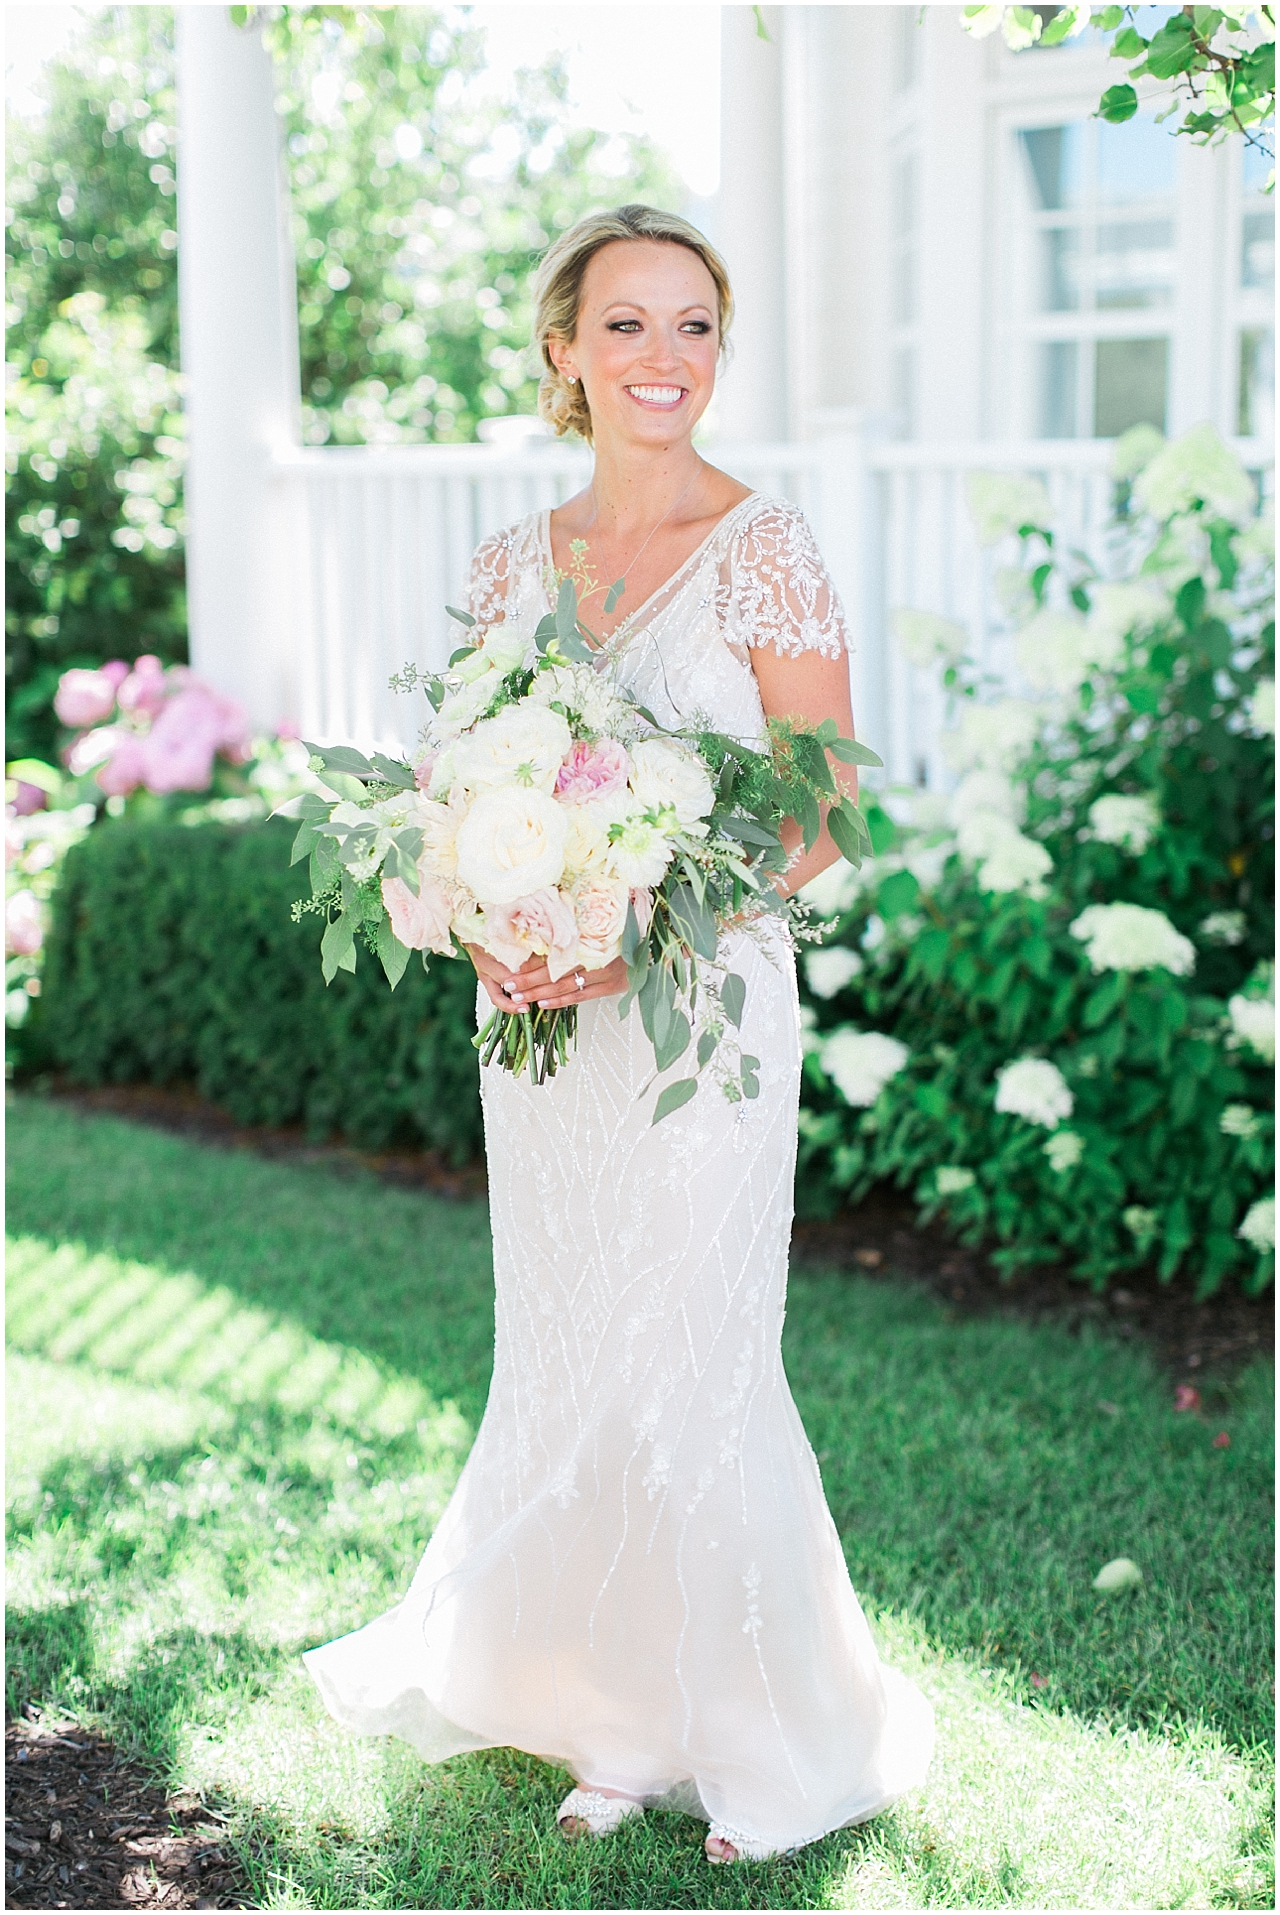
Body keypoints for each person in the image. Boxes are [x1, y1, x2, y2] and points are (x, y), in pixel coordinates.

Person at [305, 203, 934, 1865]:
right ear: (566, 352)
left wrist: (649, 924)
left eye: (696, 325)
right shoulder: (515, 564)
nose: (667, 359)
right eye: (630, 326)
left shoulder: (770, 545)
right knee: (575, 1346)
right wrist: (504, 918)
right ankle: (607, 1716)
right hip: (548, 1029)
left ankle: (756, 1734)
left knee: (696, 1356)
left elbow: (830, 805)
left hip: (703, 1010)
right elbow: (477, 783)